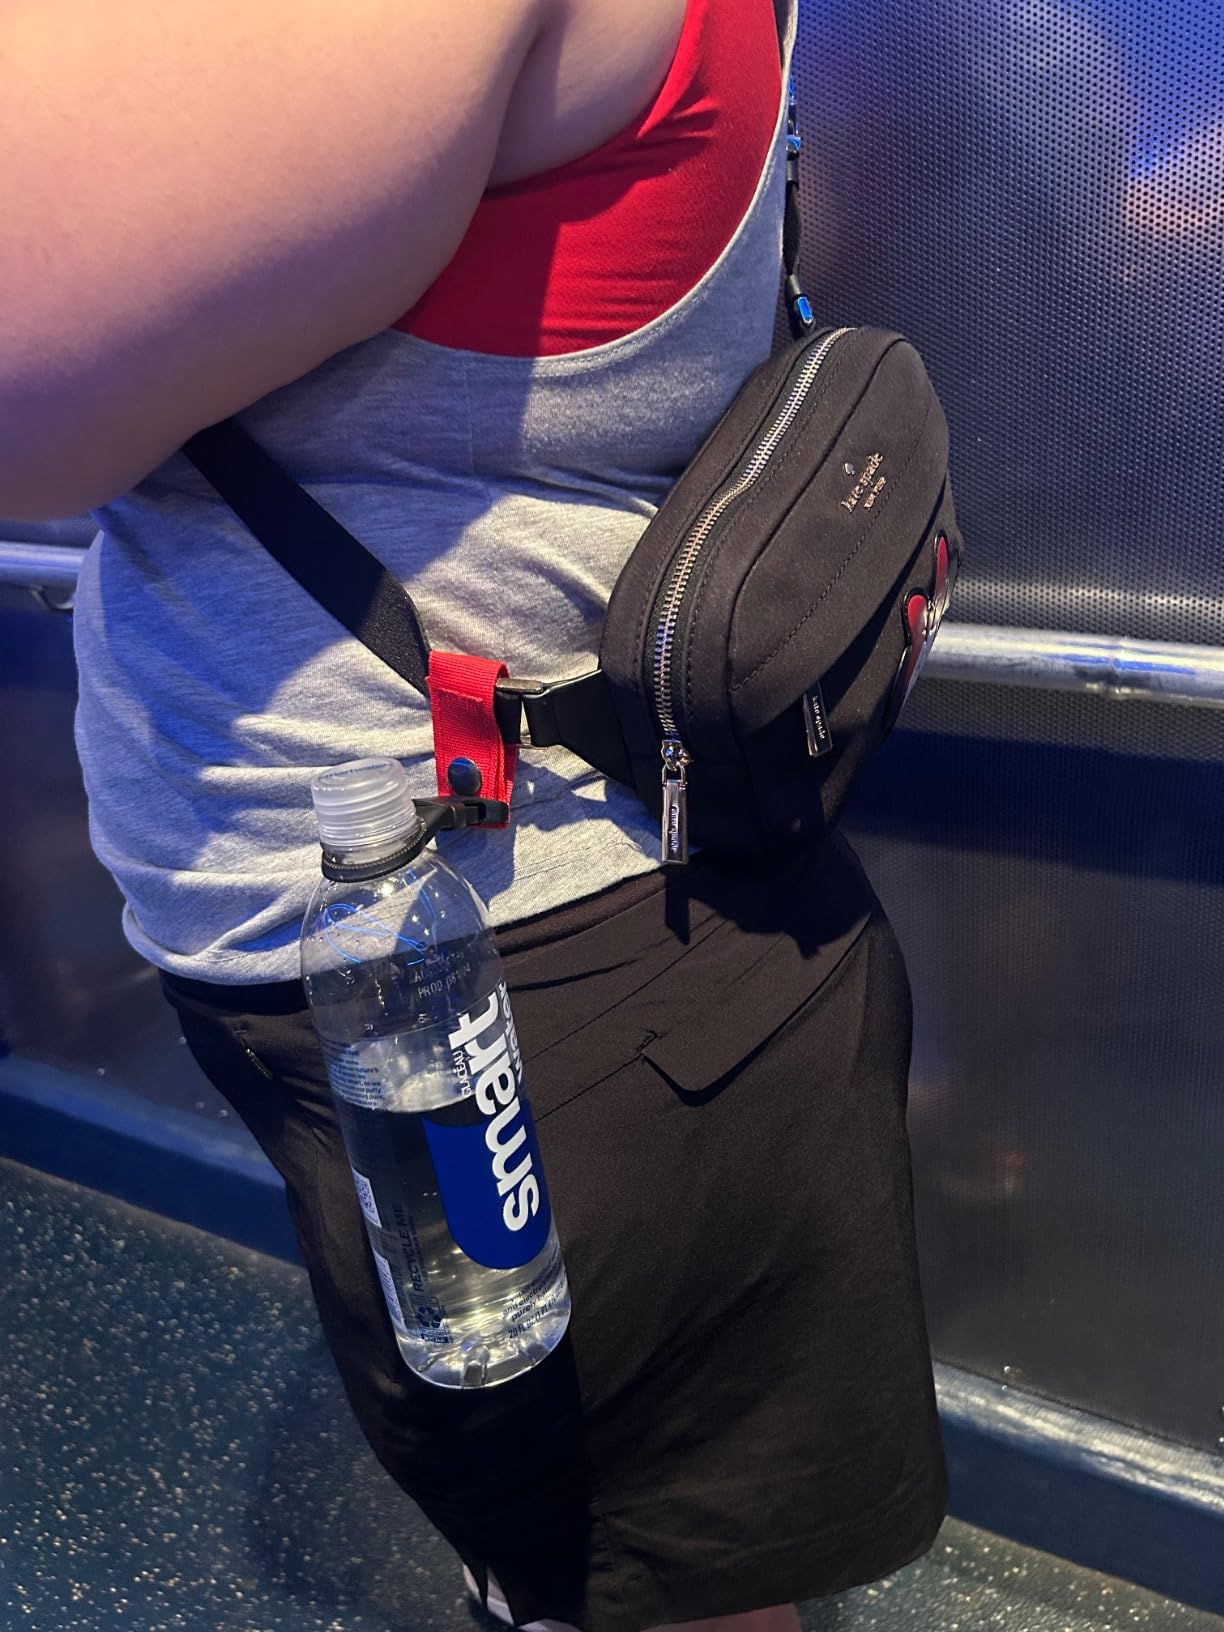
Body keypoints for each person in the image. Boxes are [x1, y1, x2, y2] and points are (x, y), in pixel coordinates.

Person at [1, 0, 947, 1628]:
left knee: (628, 1568)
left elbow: (26, 418)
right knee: (596, 1543)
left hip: (516, 978)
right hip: (550, 934)